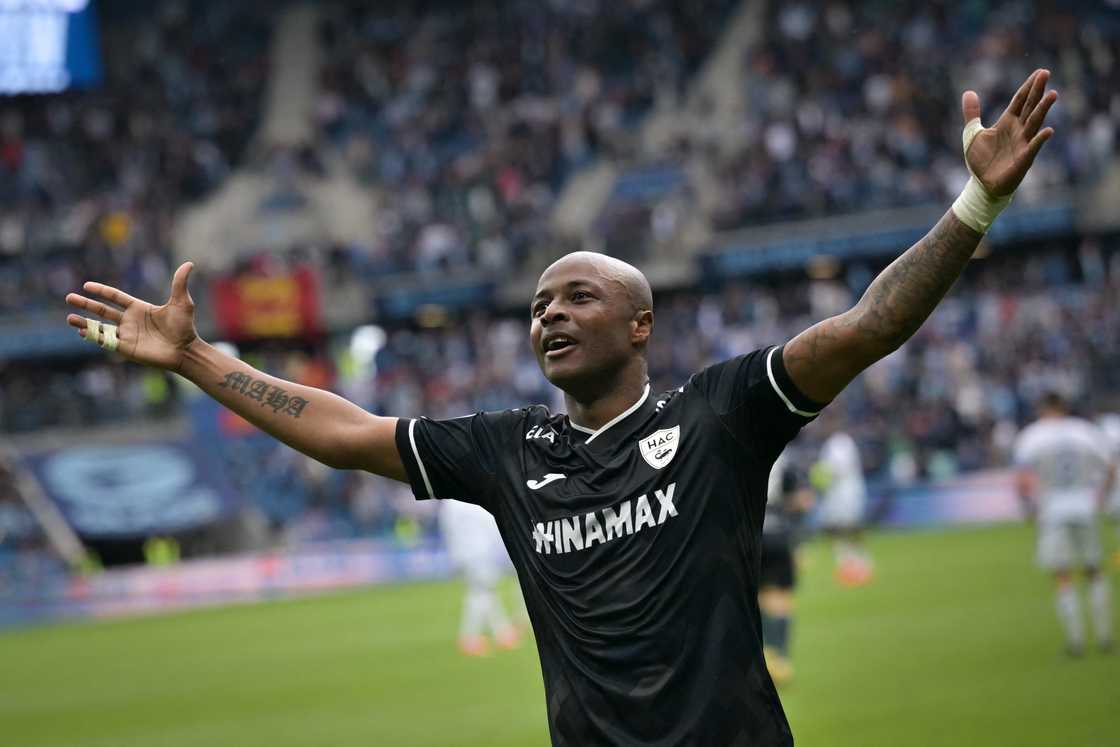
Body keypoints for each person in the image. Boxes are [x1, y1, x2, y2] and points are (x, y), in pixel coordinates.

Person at [65, 70, 1058, 745]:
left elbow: (869, 323)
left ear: (639, 325)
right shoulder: (507, 450)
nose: (549, 314)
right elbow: (342, 430)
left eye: (577, 296)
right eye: (538, 304)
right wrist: (196, 358)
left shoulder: (717, 418)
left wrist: (974, 210)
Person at [1014, 393, 1116, 656]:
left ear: (1042, 408)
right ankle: (1105, 638)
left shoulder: (1033, 436)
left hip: (1053, 508)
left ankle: (1076, 641)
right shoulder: (1085, 431)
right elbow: (1110, 468)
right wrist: (1101, 498)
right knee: (1094, 569)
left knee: (1062, 573)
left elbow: (1023, 479)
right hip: (1085, 504)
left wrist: (1029, 509)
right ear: (1064, 407)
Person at [438, 498, 525, 656]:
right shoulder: (473, 501)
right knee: (483, 592)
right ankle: (473, 637)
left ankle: (501, 633)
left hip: (463, 554)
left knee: (481, 592)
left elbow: (447, 529)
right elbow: (492, 528)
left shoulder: (449, 504)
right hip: (481, 553)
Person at [760, 452, 813, 687]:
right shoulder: (786, 460)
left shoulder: (741, 447)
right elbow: (803, 500)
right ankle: (780, 657)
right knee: (782, 597)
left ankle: (766, 657)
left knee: (760, 596)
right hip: (781, 534)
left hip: (754, 533)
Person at [812, 424, 874, 586]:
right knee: (834, 527)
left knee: (850, 526)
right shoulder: (830, 444)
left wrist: (820, 473)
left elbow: (838, 469)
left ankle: (861, 561)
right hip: (835, 493)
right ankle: (847, 562)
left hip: (847, 492)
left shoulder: (841, 442)